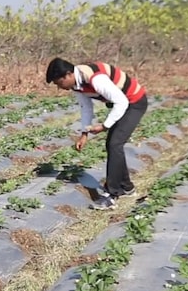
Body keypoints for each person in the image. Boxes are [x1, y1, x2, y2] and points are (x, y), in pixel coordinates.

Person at [45, 57, 148, 210]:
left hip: (133, 102)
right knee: (113, 144)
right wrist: (84, 133)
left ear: (68, 75)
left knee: (114, 144)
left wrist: (105, 126)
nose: (60, 87)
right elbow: (86, 107)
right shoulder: (77, 84)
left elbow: (122, 102)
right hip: (121, 103)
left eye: (59, 83)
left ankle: (112, 194)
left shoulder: (95, 79)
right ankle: (127, 187)